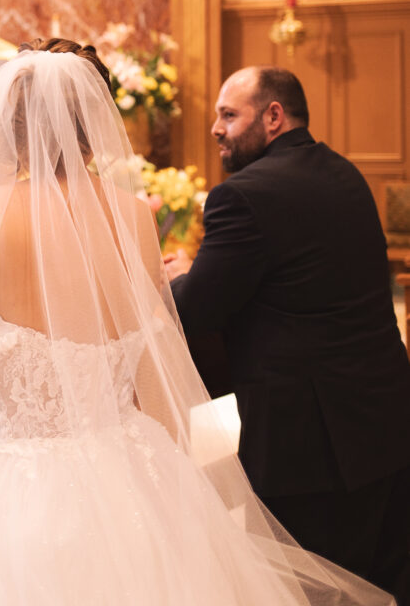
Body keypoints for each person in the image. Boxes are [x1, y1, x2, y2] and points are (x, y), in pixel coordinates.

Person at [0, 42, 394, 606]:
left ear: (8, 127)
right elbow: (149, 363)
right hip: (134, 471)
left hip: (24, 487)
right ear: (95, 124)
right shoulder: (131, 215)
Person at [167, 66, 410, 605]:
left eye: (229, 115)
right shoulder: (345, 173)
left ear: (273, 116)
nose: (215, 128)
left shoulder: (242, 197)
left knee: (301, 590)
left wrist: (182, 274)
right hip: (385, 424)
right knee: (379, 583)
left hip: (309, 448)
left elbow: (194, 312)